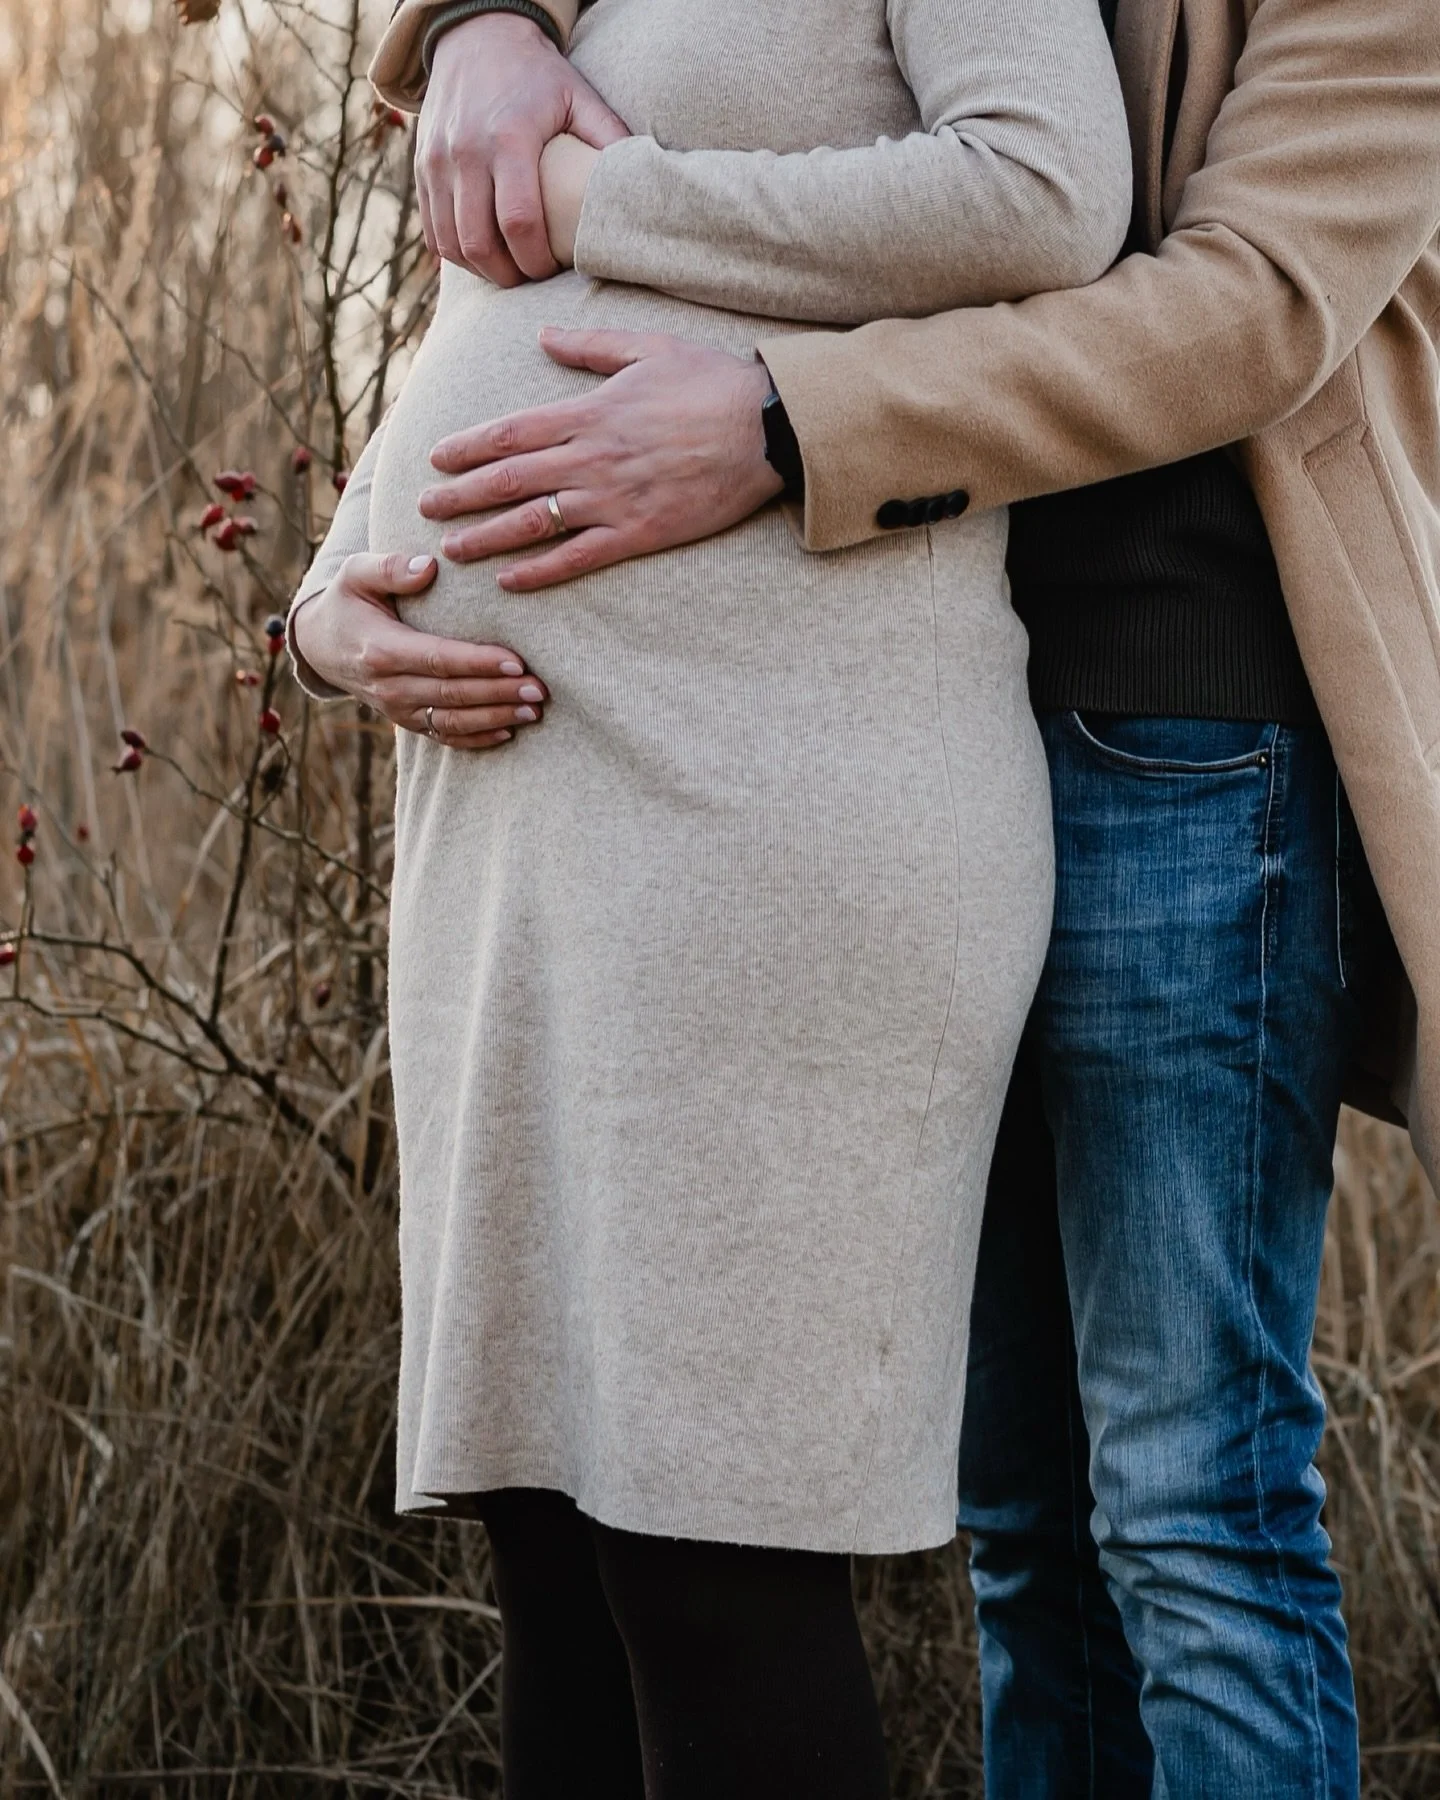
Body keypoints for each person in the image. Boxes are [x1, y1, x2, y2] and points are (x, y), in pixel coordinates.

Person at [324, 2, 1440, 1795]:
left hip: (1177, 718)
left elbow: (1250, 303)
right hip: (898, 707)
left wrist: (789, 412)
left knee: (1186, 1498)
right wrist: (471, 27)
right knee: (1019, 1507)